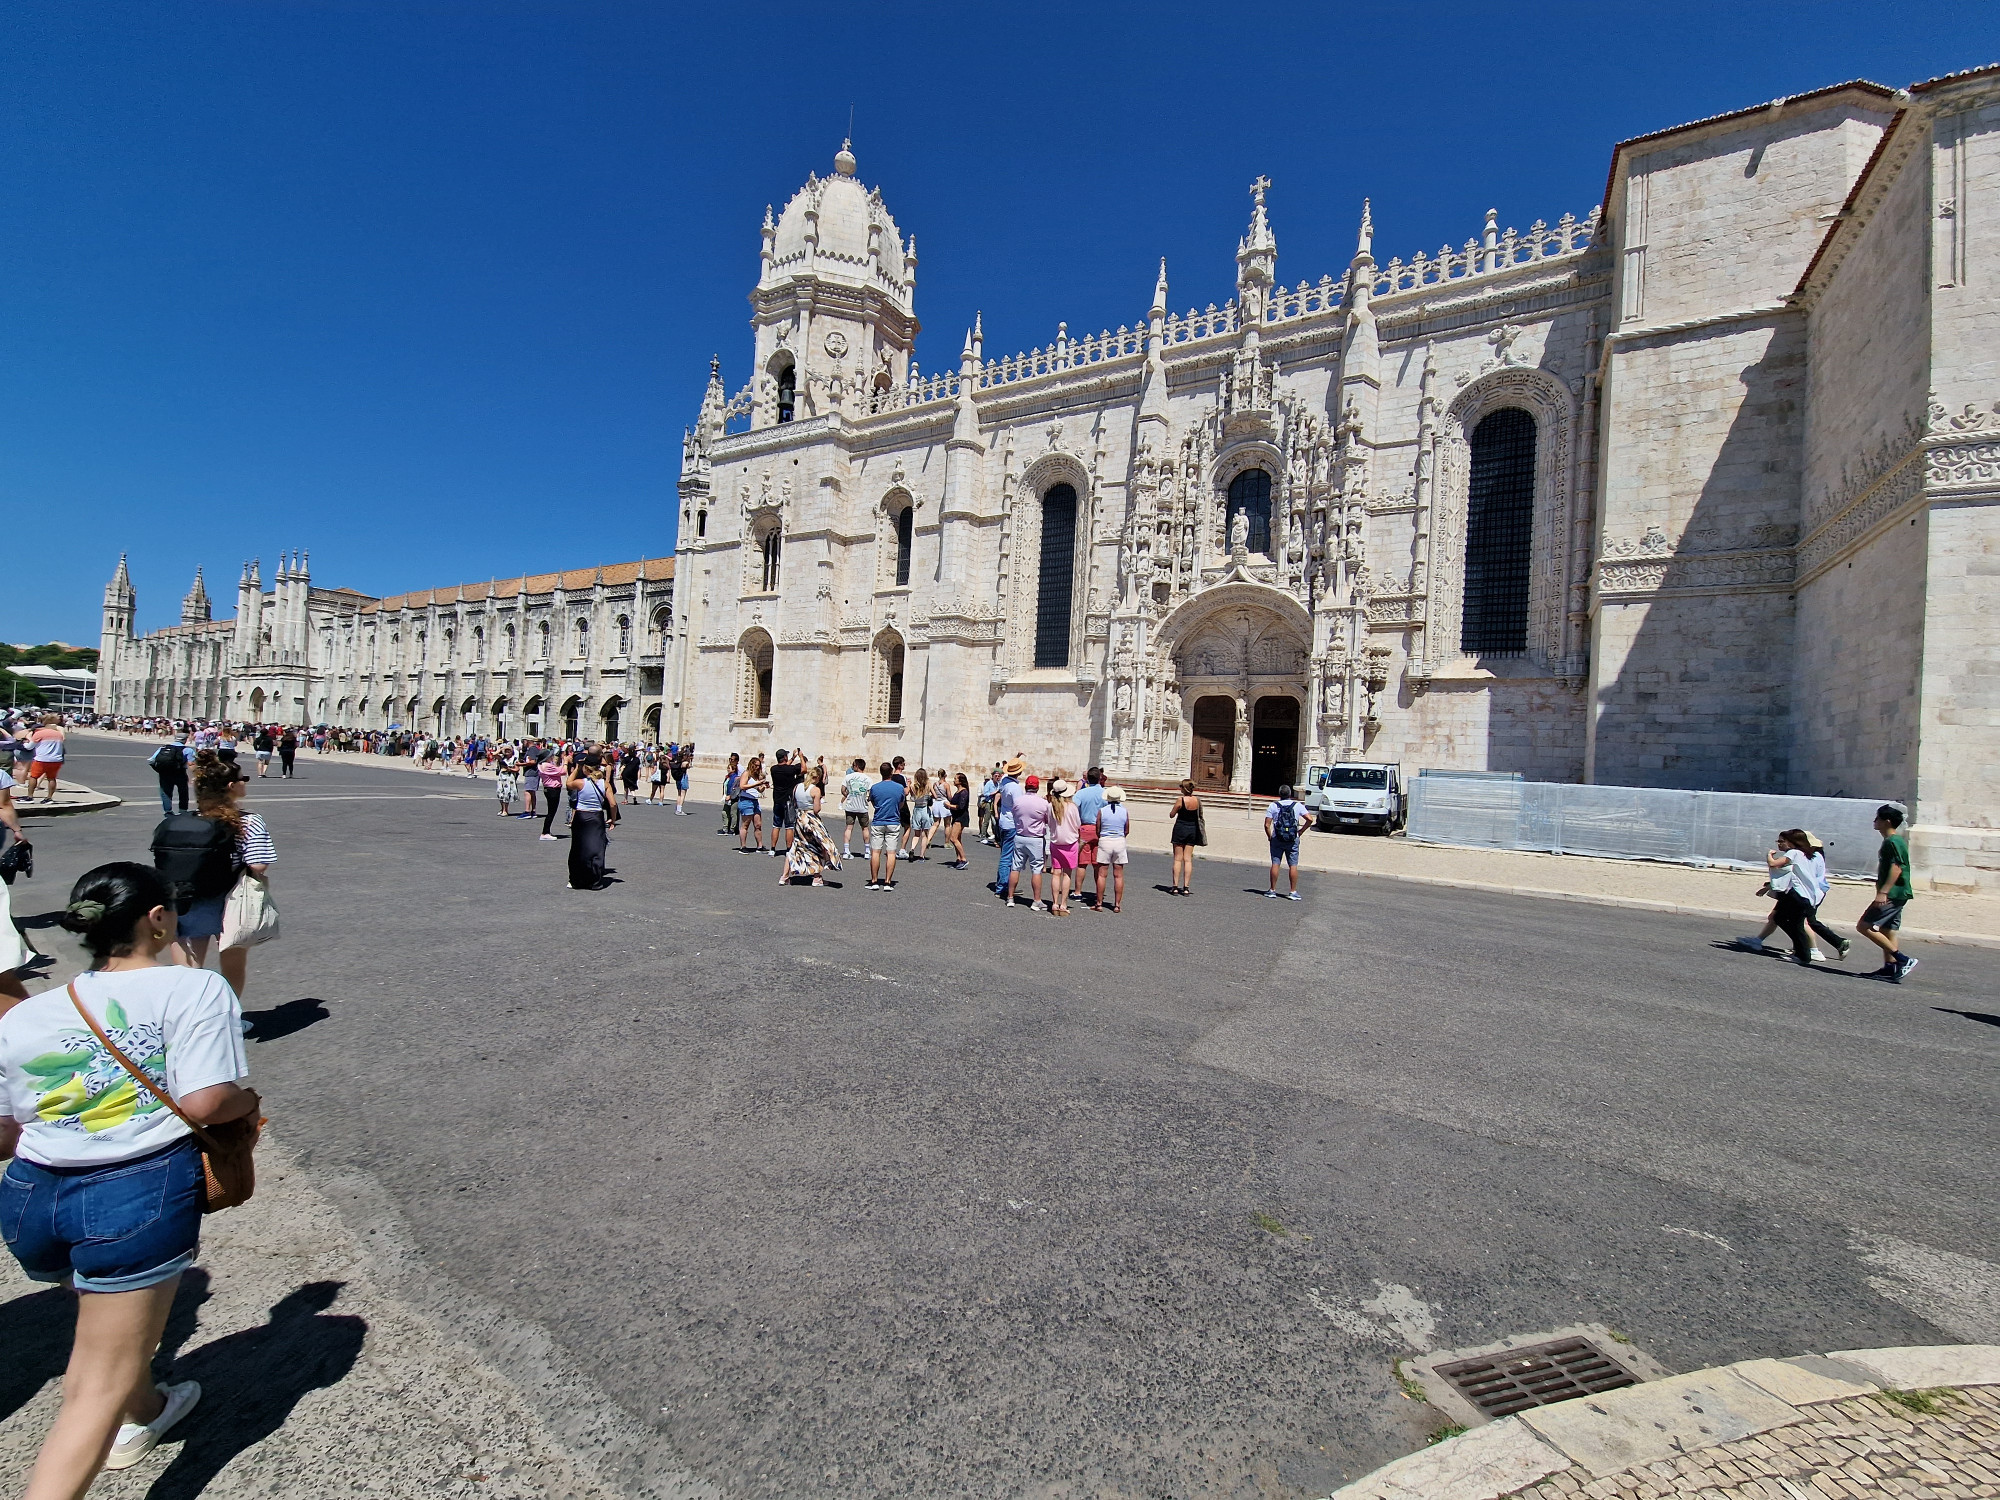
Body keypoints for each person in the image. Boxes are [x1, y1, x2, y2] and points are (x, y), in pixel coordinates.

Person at [0, 863, 260, 1493]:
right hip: (132, 1194)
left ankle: (146, 1409)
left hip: (32, 1196)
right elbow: (204, 1102)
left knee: (106, 1322)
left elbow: (6, 1134)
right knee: (91, 1390)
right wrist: (246, 1105)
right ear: (156, 919)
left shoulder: (28, 1016)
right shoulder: (193, 989)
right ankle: (111, 1428)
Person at [155, 751, 275, 1003]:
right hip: (230, 898)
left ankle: (186, 1020)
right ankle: (227, 1016)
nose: (246, 782)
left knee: (188, 969)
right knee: (232, 964)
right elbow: (258, 864)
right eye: (244, 778)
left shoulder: (185, 821)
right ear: (232, 786)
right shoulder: (249, 821)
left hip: (187, 898)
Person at [1859, 804, 1918, 983]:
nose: (1874, 822)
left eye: (1877, 819)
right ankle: (1890, 968)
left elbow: (1897, 867)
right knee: (1888, 929)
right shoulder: (1891, 841)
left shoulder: (1893, 841)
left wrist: (1883, 892)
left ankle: (1902, 959)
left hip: (1893, 893)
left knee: (1864, 926)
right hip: (1897, 893)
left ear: (1887, 821)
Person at [780, 770, 839, 887]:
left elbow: (795, 803)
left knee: (796, 846)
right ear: (817, 778)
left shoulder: (797, 787)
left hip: (799, 817)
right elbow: (817, 809)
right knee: (818, 845)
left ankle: (784, 876)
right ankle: (817, 877)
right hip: (810, 818)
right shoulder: (815, 790)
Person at [565, 754, 615, 890]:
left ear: (586, 769)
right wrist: (613, 819)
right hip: (596, 817)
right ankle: (594, 881)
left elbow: (568, 784)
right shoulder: (605, 784)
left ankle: (575, 880)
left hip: (581, 816)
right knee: (596, 849)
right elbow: (613, 804)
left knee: (578, 848)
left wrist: (576, 768)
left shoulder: (580, 783)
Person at [1005, 773, 1052, 912]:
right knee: (1036, 869)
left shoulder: (1018, 801)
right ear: (1037, 788)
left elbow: (1014, 815)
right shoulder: (1043, 803)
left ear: (1026, 786)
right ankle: (1036, 900)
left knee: (1016, 867)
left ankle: (1010, 897)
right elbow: (1047, 820)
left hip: (1020, 836)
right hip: (1035, 838)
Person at [866, 763, 906, 891]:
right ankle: (888, 882)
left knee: (876, 852)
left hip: (878, 821)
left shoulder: (875, 788)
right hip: (893, 821)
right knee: (891, 852)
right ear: (891, 772)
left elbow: (873, 802)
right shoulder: (899, 788)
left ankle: (874, 881)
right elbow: (901, 803)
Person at [1265, 784, 1305, 900]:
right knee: (1293, 865)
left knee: (1275, 863)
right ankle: (1293, 891)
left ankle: (1272, 890)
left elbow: (1267, 824)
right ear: (1290, 794)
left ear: (1279, 794)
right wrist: (1300, 831)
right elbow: (1310, 819)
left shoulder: (1273, 805)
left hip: (1277, 837)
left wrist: (1269, 837)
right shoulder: (1297, 805)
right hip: (1293, 838)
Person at [1073, 769, 1107, 910]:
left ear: (1087, 779)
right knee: (1097, 863)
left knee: (1082, 863)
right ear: (1100, 778)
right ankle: (1098, 892)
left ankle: (1077, 891)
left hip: (1085, 828)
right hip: (1100, 829)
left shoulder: (1081, 793)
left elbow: (1073, 808)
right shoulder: (1105, 793)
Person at [1047, 778, 1081, 916]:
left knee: (1056, 873)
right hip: (1070, 843)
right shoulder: (1072, 807)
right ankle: (1063, 904)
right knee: (1067, 874)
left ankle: (1054, 903)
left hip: (1056, 842)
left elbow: (1049, 823)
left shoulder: (1050, 806)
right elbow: (1078, 824)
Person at [1095, 785, 1131, 913]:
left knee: (1102, 874)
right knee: (1118, 875)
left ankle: (1099, 903)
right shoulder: (1125, 811)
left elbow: (1097, 828)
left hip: (1105, 840)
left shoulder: (1102, 810)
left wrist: (1102, 836)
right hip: (1119, 841)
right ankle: (1117, 905)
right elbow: (1127, 829)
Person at [992, 757, 1024, 900]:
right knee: (1007, 856)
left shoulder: (1004, 781)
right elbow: (1019, 807)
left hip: (1004, 822)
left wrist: (1016, 756)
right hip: (1012, 823)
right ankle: (1003, 886)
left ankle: (1003, 884)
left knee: (1005, 854)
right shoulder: (1015, 787)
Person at [1169, 780, 1203, 896]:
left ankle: (1175, 887)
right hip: (1192, 829)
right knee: (1188, 859)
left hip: (1180, 828)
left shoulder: (1181, 800)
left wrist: (1177, 809)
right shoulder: (1197, 800)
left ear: (1184, 789)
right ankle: (1186, 887)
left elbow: (1171, 814)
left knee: (1178, 858)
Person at [768, 750, 802, 858]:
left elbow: (784, 767)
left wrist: (792, 758)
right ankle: (789, 849)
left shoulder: (773, 769)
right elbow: (804, 769)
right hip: (788, 801)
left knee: (776, 825)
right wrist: (800, 757)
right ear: (784, 757)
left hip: (777, 800)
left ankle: (772, 849)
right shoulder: (790, 770)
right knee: (789, 826)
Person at [27, 715, 66, 804]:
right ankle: (49, 797)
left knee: (33, 777)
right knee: (52, 778)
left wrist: (28, 740)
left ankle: (30, 796)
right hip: (56, 759)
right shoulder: (58, 734)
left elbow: (30, 747)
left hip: (42, 759)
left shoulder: (39, 733)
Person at [148, 733, 190, 816]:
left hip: (165, 773)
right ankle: (183, 810)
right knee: (183, 792)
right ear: (185, 740)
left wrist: (158, 770)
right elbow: (191, 763)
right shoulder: (187, 750)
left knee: (166, 792)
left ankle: (168, 811)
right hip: (180, 773)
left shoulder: (163, 748)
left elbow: (151, 761)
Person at [841, 757, 872, 860]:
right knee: (865, 828)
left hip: (850, 806)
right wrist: (867, 799)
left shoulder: (848, 777)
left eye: (853, 765)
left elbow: (843, 789)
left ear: (857, 766)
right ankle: (867, 851)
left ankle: (846, 851)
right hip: (862, 807)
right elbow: (870, 793)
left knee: (849, 828)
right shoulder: (868, 779)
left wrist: (848, 795)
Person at [736, 755, 766, 852]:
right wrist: (756, 784)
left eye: (759, 766)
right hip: (746, 800)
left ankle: (760, 846)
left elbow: (759, 789)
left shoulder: (756, 776)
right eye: (756, 765)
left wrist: (764, 786)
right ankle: (743, 846)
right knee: (745, 824)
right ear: (752, 765)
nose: (757, 767)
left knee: (758, 824)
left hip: (754, 800)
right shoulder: (746, 773)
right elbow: (742, 786)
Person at [537, 751, 568, 840]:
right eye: (551, 756)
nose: (552, 757)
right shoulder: (547, 766)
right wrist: (565, 762)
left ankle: (546, 831)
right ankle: (545, 832)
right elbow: (563, 771)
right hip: (553, 789)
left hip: (549, 789)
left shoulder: (542, 765)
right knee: (551, 812)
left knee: (551, 811)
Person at [904, 768, 933, 860]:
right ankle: (922, 855)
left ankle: (912, 849)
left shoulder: (913, 786)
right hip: (925, 809)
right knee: (925, 834)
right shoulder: (928, 785)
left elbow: (912, 797)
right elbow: (935, 795)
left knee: (916, 834)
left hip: (917, 809)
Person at [945, 772, 971, 869]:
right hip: (956, 816)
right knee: (957, 838)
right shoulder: (958, 791)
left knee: (953, 838)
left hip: (961, 817)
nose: (954, 780)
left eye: (955, 779)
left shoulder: (964, 792)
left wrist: (949, 805)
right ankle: (958, 859)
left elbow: (961, 806)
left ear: (960, 781)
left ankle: (963, 859)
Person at [722, 752, 742, 836]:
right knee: (725, 812)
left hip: (734, 797)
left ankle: (733, 829)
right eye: (730, 759)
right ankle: (726, 828)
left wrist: (730, 795)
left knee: (733, 813)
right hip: (727, 797)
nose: (731, 761)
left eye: (733, 760)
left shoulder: (737, 774)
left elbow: (736, 788)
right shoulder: (728, 777)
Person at [494, 752, 520, 817]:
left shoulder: (515, 759)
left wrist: (509, 769)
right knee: (499, 793)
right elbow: (494, 754)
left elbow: (517, 769)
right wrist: (501, 750)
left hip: (509, 778)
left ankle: (505, 810)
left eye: (509, 750)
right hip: (501, 777)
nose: (507, 752)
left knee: (506, 794)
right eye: (506, 750)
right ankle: (502, 808)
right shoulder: (503, 758)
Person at [977, 767, 999, 846]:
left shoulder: (998, 784)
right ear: (992, 776)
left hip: (995, 803)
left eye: (998, 776)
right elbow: (985, 794)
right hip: (988, 803)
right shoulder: (989, 784)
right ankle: (983, 836)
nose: (997, 777)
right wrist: (994, 793)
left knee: (995, 821)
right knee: (986, 820)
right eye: (996, 776)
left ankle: (995, 835)